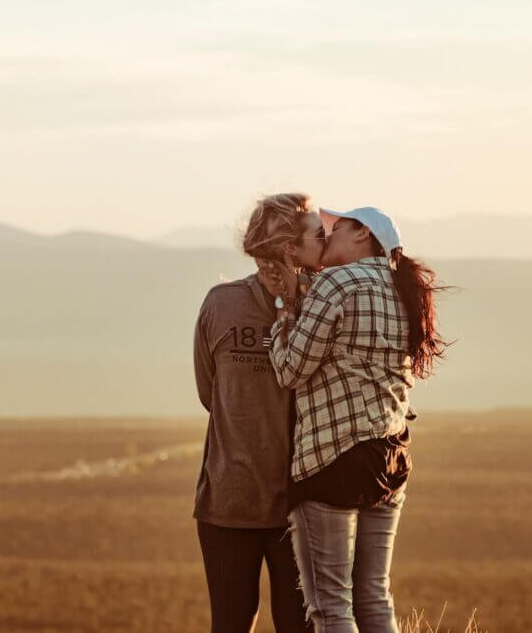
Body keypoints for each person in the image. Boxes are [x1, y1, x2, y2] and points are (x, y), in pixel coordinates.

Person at [267, 206, 450, 633]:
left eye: (336, 228)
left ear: (363, 233)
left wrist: (282, 320)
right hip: (391, 456)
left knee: (331, 605)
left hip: (334, 458)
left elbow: (291, 370)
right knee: (373, 595)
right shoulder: (404, 289)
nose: (326, 237)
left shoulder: (337, 282)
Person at [192, 193, 326, 633]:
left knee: (299, 626)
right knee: (230, 623)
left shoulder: (322, 307)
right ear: (289, 245)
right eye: (315, 234)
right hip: (229, 503)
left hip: (301, 506)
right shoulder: (221, 303)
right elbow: (211, 394)